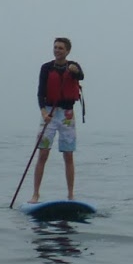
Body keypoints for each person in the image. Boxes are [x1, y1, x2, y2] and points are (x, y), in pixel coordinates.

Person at [30, 37, 84, 203]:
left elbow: (81, 76)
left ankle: (70, 195)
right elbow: (40, 93)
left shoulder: (73, 66)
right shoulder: (46, 68)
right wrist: (44, 113)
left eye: (61, 48)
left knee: (68, 155)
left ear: (67, 51)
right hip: (49, 114)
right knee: (43, 154)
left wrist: (74, 70)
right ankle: (35, 194)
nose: (57, 50)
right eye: (55, 47)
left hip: (67, 115)